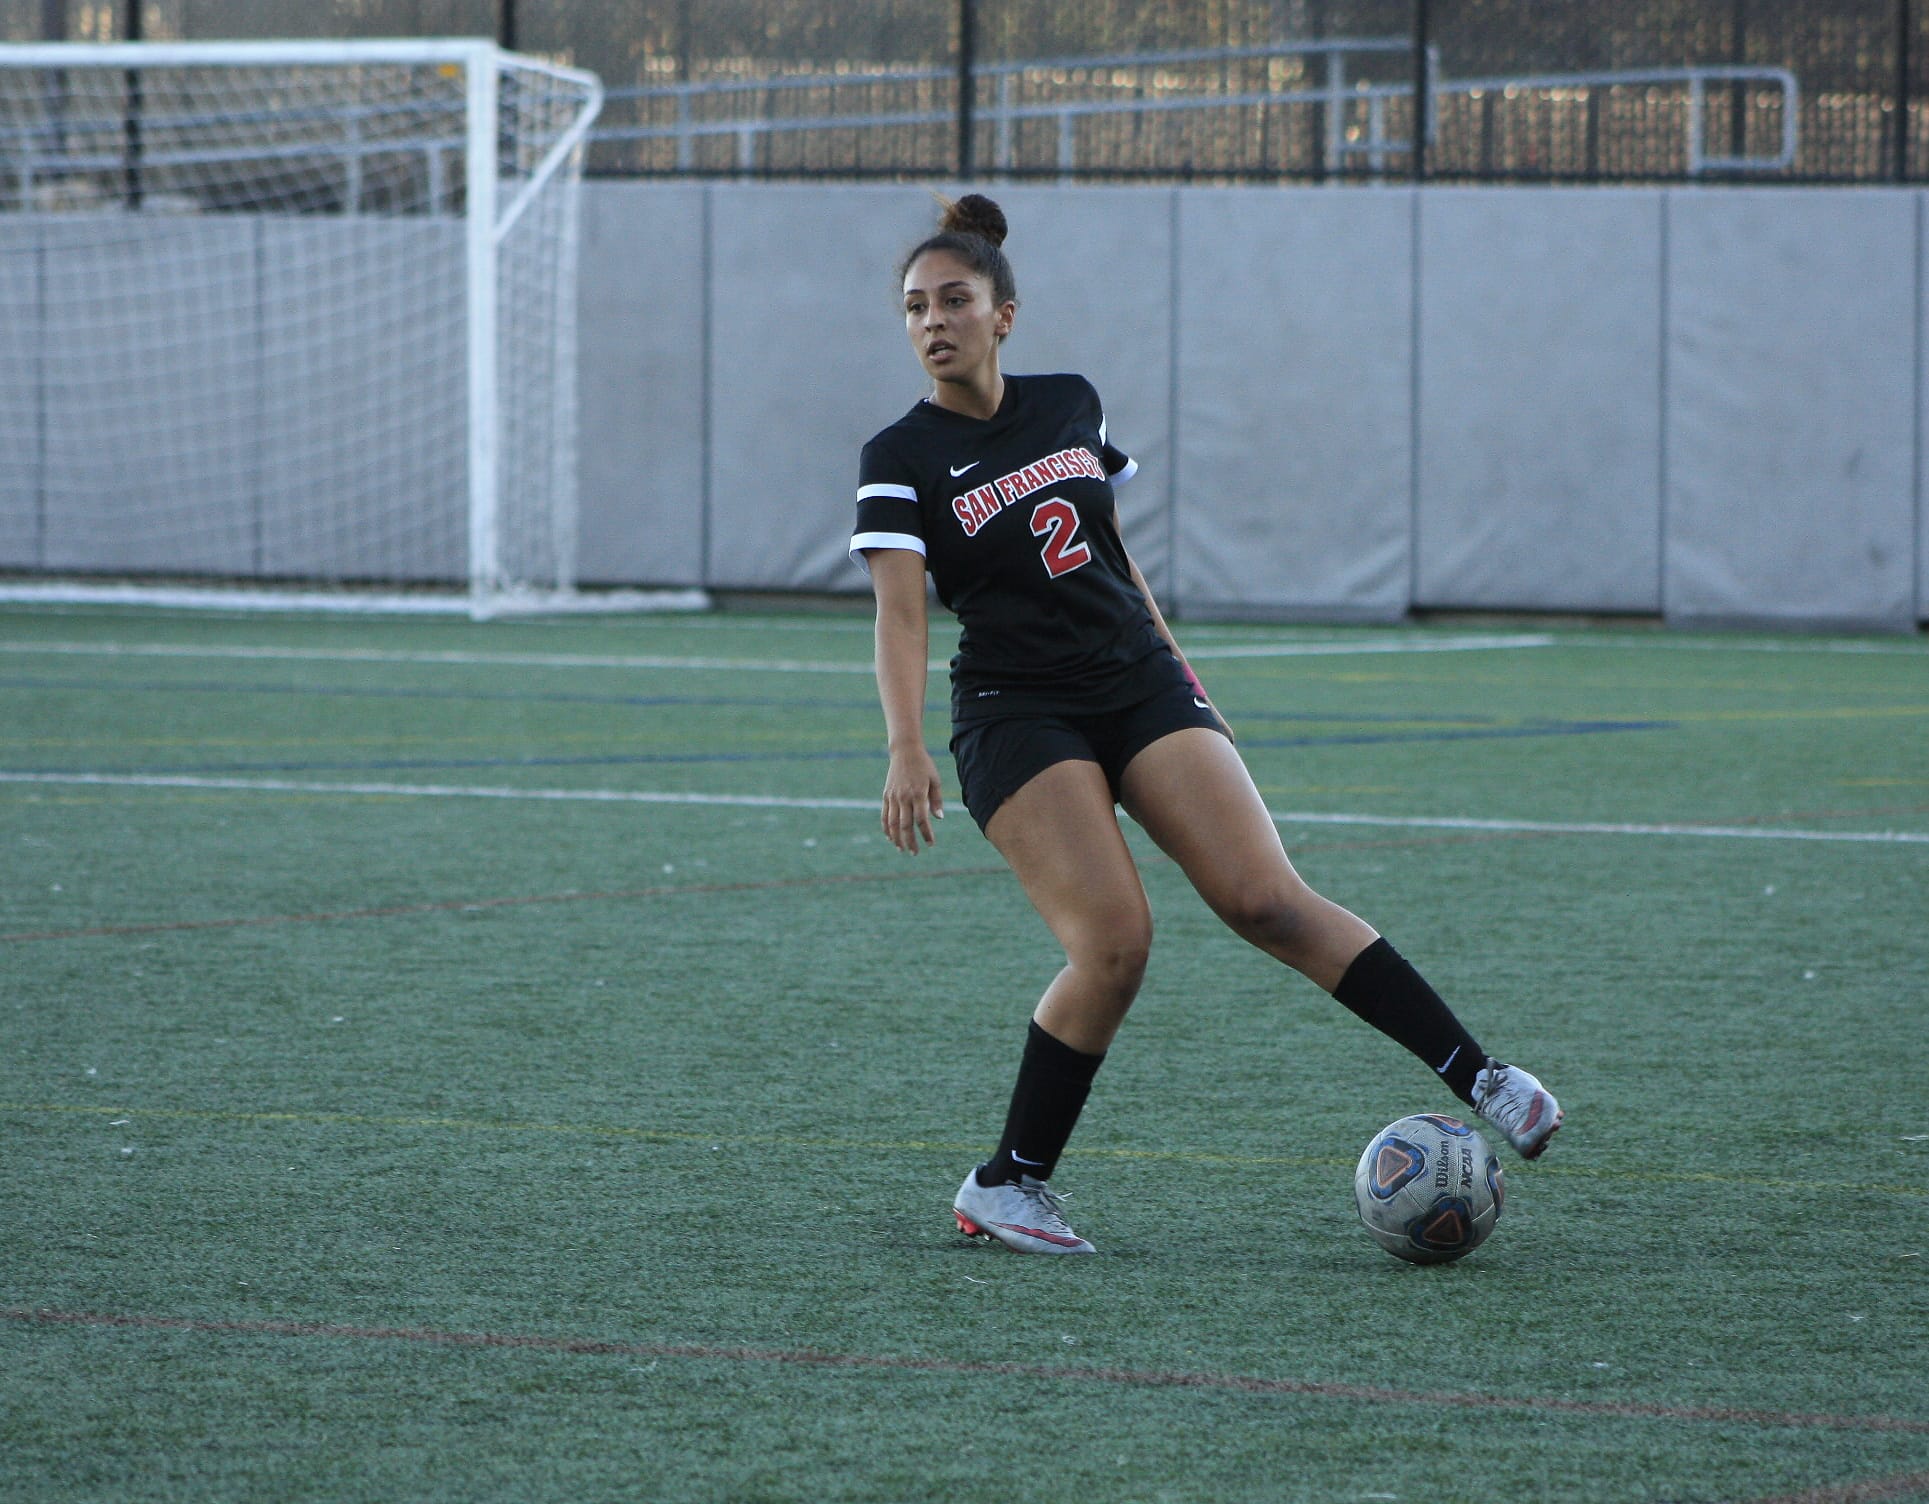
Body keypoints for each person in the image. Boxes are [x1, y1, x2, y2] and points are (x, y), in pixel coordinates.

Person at [850, 193, 1561, 1256]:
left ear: (1005, 314)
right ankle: (1008, 1183)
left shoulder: (1070, 404)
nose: (932, 322)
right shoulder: (899, 452)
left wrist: (1185, 675)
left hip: (1136, 678)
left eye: (954, 300)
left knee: (1268, 898)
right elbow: (899, 611)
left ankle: (1484, 1076)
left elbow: (1114, 557)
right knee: (1115, 943)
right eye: (913, 308)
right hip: (1016, 709)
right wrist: (906, 746)